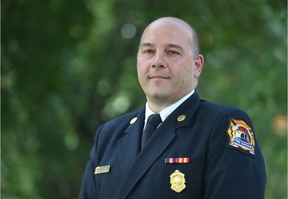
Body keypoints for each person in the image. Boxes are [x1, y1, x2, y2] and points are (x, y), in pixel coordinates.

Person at [78, 17, 266, 199]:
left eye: (172, 52)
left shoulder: (222, 126)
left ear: (197, 66)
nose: (157, 61)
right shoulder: (109, 135)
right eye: (148, 51)